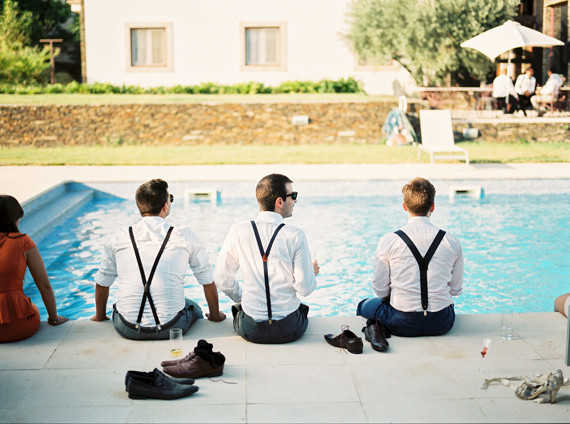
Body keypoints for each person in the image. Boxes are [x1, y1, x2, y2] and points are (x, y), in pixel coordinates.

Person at [91, 179, 225, 340]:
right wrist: (215, 316)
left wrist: (100, 316)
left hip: (127, 328)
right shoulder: (183, 235)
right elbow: (207, 279)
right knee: (193, 307)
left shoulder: (120, 236)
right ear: (165, 206)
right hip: (172, 327)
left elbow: (102, 281)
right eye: (170, 198)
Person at [214, 173, 319, 344]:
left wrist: (242, 298)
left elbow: (222, 279)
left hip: (251, 330)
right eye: (293, 195)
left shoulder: (238, 231)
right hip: (289, 329)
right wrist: (311, 274)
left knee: (240, 309)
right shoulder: (295, 235)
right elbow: (305, 289)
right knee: (301, 308)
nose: (295, 200)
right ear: (279, 202)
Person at [356, 177, 463, 337]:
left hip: (401, 323)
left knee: (363, 305)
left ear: (404, 206)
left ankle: (375, 329)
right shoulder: (451, 241)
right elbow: (455, 290)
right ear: (433, 207)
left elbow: (380, 289)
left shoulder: (390, 240)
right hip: (442, 322)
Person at [0, 195, 68, 343]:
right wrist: (54, 318)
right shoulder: (22, 241)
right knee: (32, 308)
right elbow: (44, 285)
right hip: (18, 326)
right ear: (14, 217)